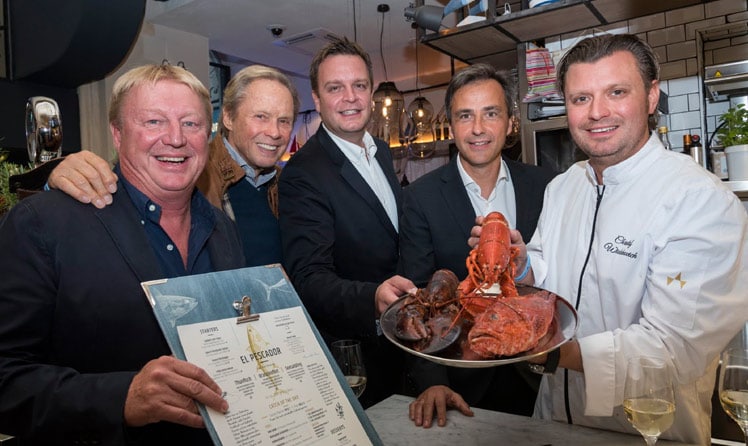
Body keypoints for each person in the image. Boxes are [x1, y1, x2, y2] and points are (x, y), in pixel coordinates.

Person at [497, 34, 747, 445]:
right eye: (580, 99)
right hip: (550, 424)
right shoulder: (564, 187)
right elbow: (553, 273)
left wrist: (554, 352)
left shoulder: (700, 200)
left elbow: (673, 347)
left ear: (651, 96)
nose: (597, 113)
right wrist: (526, 266)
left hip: (648, 432)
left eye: (616, 92)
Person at [0, 64, 246, 444]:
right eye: (153, 122)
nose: (176, 138)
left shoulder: (222, 227)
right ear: (117, 133)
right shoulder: (43, 223)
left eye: (192, 124)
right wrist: (120, 399)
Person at [399, 63, 556, 428]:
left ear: (510, 123)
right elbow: (416, 295)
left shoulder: (546, 185)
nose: (478, 129)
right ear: (451, 127)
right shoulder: (420, 198)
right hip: (461, 384)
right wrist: (433, 381)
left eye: (491, 114)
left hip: (539, 377)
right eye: (465, 116)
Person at [44, 64, 300, 265]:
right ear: (229, 118)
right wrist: (54, 176)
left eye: (285, 121)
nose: (274, 132)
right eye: (261, 117)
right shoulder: (188, 171)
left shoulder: (288, 184)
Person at [277, 36, 416, 409]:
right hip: (357, 360)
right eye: (335, 88)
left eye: (359, 85)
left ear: (371, 92)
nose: (350, 97)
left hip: (404, 346)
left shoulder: (381, 152)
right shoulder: (303, 174)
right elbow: (308, 279)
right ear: (318, 100)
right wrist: (371, 297)